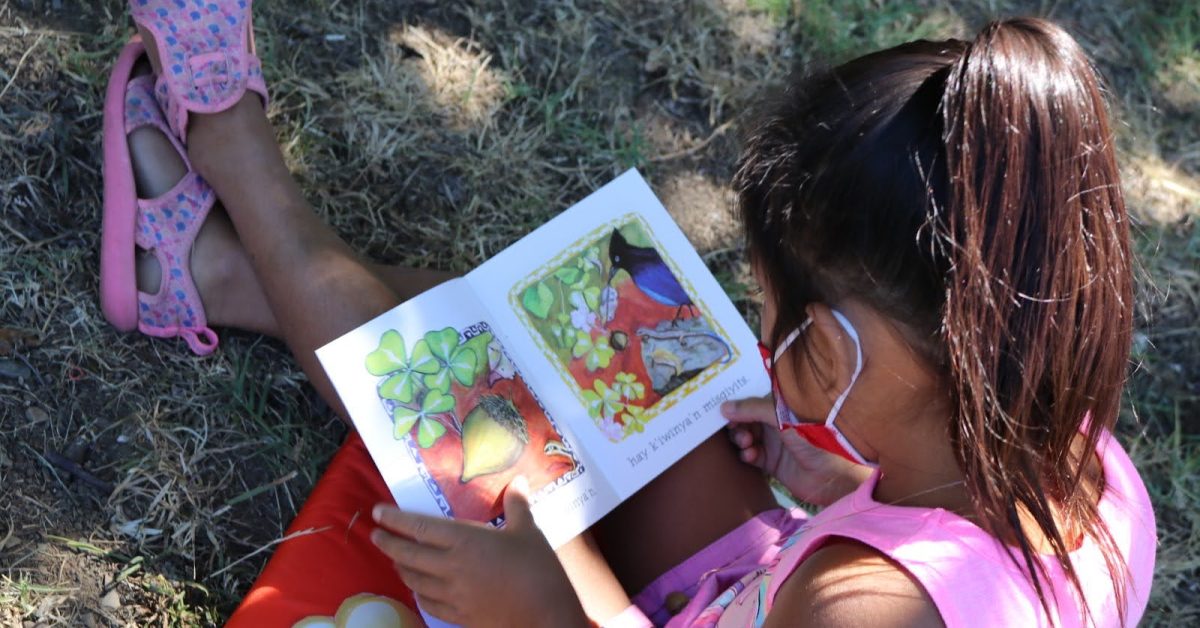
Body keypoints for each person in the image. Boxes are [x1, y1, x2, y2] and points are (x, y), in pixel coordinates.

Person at [99, 1, 1154, 625]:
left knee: (469, 411)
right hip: (762, 572)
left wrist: (547, 610)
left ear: (834, 352)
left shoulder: (860, 612)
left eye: (771, 309)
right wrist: (841, 479)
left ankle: (242, 173)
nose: (758, 327)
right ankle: (221, 278)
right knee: (521, 352)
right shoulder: (1085, 466)